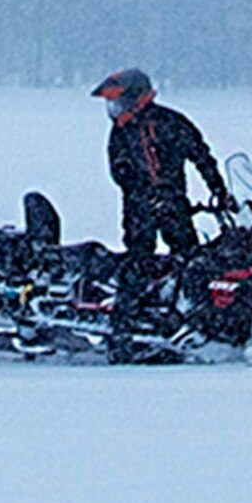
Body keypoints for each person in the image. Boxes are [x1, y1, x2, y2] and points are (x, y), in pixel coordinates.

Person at [91, 68, 228, 339]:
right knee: (139, 259)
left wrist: (219, 190)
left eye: (117, 102)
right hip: (139, 207)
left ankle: (193, 317)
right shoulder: (120, 131)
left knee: (190, 259)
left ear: (137, 98)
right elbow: (119, 170)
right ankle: (124, 328)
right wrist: (142, 192)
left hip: (174, 203)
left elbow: (201, 155)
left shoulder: (170, 122)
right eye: (111, 104)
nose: (114, 110)